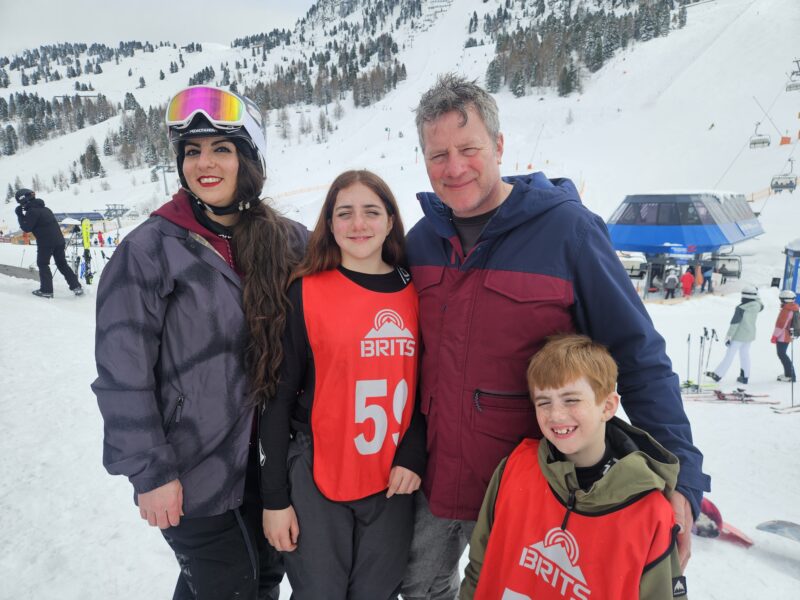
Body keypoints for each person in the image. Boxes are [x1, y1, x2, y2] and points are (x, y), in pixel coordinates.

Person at [401, 73, 708, 600]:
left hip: (532, 483)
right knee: (420, 588)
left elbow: (636, 353)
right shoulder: (422, 241)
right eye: (437, 155)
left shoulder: (566, 231)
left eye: (468, 148)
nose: (453, 168)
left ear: (499, 146)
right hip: (435, 481)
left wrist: (681, 477)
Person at [92, 85, 306, 599]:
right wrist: (150, 471)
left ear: (248, 158)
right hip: (195, 472)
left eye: (221, 149)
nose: (203, 163)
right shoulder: (149, 250)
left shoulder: (290, 240)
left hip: (274, 465)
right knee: (231, 586)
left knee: (260, 581)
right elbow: (124, 375)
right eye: (192, 151)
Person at [260, 170, 426, 599]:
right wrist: (275, 499)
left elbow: (431, 384)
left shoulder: (418, 291)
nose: (358, 224)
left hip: (390, 478)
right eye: (344, 213)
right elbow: (277, 398)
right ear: (329, 224)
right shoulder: (306, 290)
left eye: (371, 212)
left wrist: (413, 453)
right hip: (318, 472)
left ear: (390, 220)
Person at [460, 335, 684, 599]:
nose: (556, 415)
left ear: (607, 406)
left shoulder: (650, 513)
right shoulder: (514, 468)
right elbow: (479, 567)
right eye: (544, 402)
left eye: (571, 400)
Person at [14, 188, 83, 298]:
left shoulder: (32, 211)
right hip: (59, 241)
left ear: (23, 200)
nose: (20, 205)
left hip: (46, 243)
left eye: (20, 202)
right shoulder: (46, 209)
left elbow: (26, 227)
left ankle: (46, 291)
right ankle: (76, 287)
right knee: (62, 263)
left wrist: (19, 215)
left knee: (43, 264)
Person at [706, 285, 764, 385]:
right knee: (745, 355)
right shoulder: (758, 305)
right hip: (749, 335)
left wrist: (729, 337)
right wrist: (756, 293)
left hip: (738, 335)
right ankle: (745, 376)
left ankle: (718, 375)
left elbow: (734, 324)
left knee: (729, 355)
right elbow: (759, 301)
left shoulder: (740, 308)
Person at [771, 289, 799, 382]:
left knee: (782, 354)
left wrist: (775, 336)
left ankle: (791, 375)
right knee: (782, 354)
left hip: (783, 336)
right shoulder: (794, 308)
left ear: (785, 300)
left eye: (781, 299)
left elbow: (781, 325)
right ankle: (789, 374)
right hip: (788, 335)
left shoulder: (786, 310)